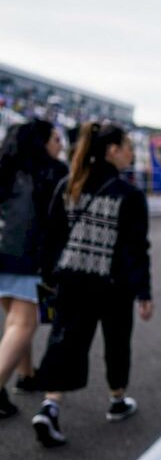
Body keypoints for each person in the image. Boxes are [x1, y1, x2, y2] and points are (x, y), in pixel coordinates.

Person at [30, 122, 153, 447]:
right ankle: (117, 399)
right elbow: (137, 249)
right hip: (114, 284)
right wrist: (144, 291)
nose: (131, 154)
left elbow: (51, 237)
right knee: (117, 342)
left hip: (71, 281)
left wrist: (49, 279)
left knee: (65, 343)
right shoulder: (129, 195)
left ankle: (50, 407)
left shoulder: (69, 185)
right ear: (112, 150)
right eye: (128, 147)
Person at [0, 121, 66, 417]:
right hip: (29, 257)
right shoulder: (52, 173)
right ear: (42, 142)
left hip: (3, 253)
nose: (60, 145)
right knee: (23, 324)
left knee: (15, 321)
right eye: (55, 139)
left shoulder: (7, 169)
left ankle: (26, 376)